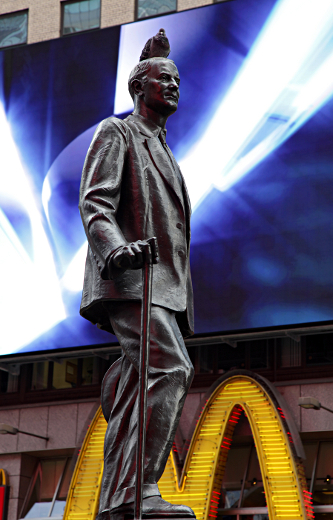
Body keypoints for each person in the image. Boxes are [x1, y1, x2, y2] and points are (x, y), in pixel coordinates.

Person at [79, 30, 195, 520]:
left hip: (164, 286)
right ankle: (140, 490)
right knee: (171, 368)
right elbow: (96, 201)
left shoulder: (166, 150)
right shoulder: (117, 132)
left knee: (129, 393)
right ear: (137, 87)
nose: (172, 86)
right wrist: (116, 250)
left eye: (176, 80)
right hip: (130, 278)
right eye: (162, 78)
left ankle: (117, 499)